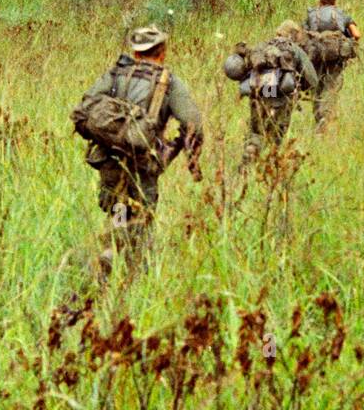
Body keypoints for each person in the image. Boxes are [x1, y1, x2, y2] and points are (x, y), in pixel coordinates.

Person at [72, 25, 202, 284]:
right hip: (144, 167)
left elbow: (84, 108)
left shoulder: (116, 74)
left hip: (110, 161)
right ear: (162, 52)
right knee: (141, 222)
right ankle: (135, 281)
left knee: (119, 210)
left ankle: (109, 253)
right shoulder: (169, 82)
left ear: (135, 51)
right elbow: (193, 124)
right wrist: (186, 158)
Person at [225, 25, 318, 165]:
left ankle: (251, 150)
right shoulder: (294, 49)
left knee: (257, 131)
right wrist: (302, 89)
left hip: (258, 95)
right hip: (281, 99)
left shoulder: (260, 47)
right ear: (293, 36)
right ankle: (271, 167)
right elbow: (312, 80)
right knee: (277, 134)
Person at [302, 0, 361, 131]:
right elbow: (357, 35)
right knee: (331, 88)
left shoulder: (311, 14)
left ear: (320, 2)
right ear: (335, 2)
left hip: (315, 57)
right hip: (335, 58)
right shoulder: (342, 14)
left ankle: (318, 118)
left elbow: (302, 36)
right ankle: (325, 118)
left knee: (316, 88)